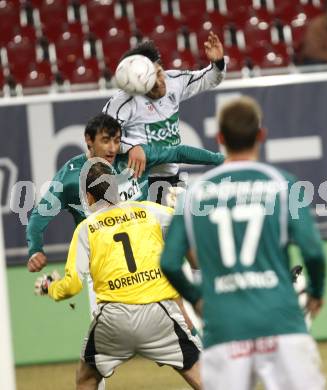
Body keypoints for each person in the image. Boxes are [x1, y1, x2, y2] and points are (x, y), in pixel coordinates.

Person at [160, 96, 327, 390]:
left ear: (220, 138)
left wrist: (196, 297)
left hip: (224, 326)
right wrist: (315, 291)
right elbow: (313, 251)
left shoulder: (193, 195)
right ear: (261, 134)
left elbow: (170, 262)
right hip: (282, 321)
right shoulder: (284, 183)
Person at [34, 162, 202, 390]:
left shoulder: (85, 229)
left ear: (88, 196)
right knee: (201, 376)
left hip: (113, 319)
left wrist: (51, 288)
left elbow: (72, 286)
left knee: (86, 379)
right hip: (159, 313)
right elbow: (186, 225)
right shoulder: (149, 211)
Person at [27, 113, 224, 273]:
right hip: (106, 269)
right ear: (88, 140)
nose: (112, 148)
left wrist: (221, 160)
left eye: (116, 140)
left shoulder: (134, 156)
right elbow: (38, 217)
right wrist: (35, 251)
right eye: (105, 141)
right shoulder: (70, 178)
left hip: (148, 257)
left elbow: (178, 152)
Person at [103, 32, 225, 202]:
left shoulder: (175, 80)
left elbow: (209, 79)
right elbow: (102, 135)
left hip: (170, 178)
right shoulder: (123, 100)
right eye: (152, 81)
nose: (160, 82)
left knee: (178, 224)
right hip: (136, 182)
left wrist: (218, 62)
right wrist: (131, 146)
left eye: (159, 73)